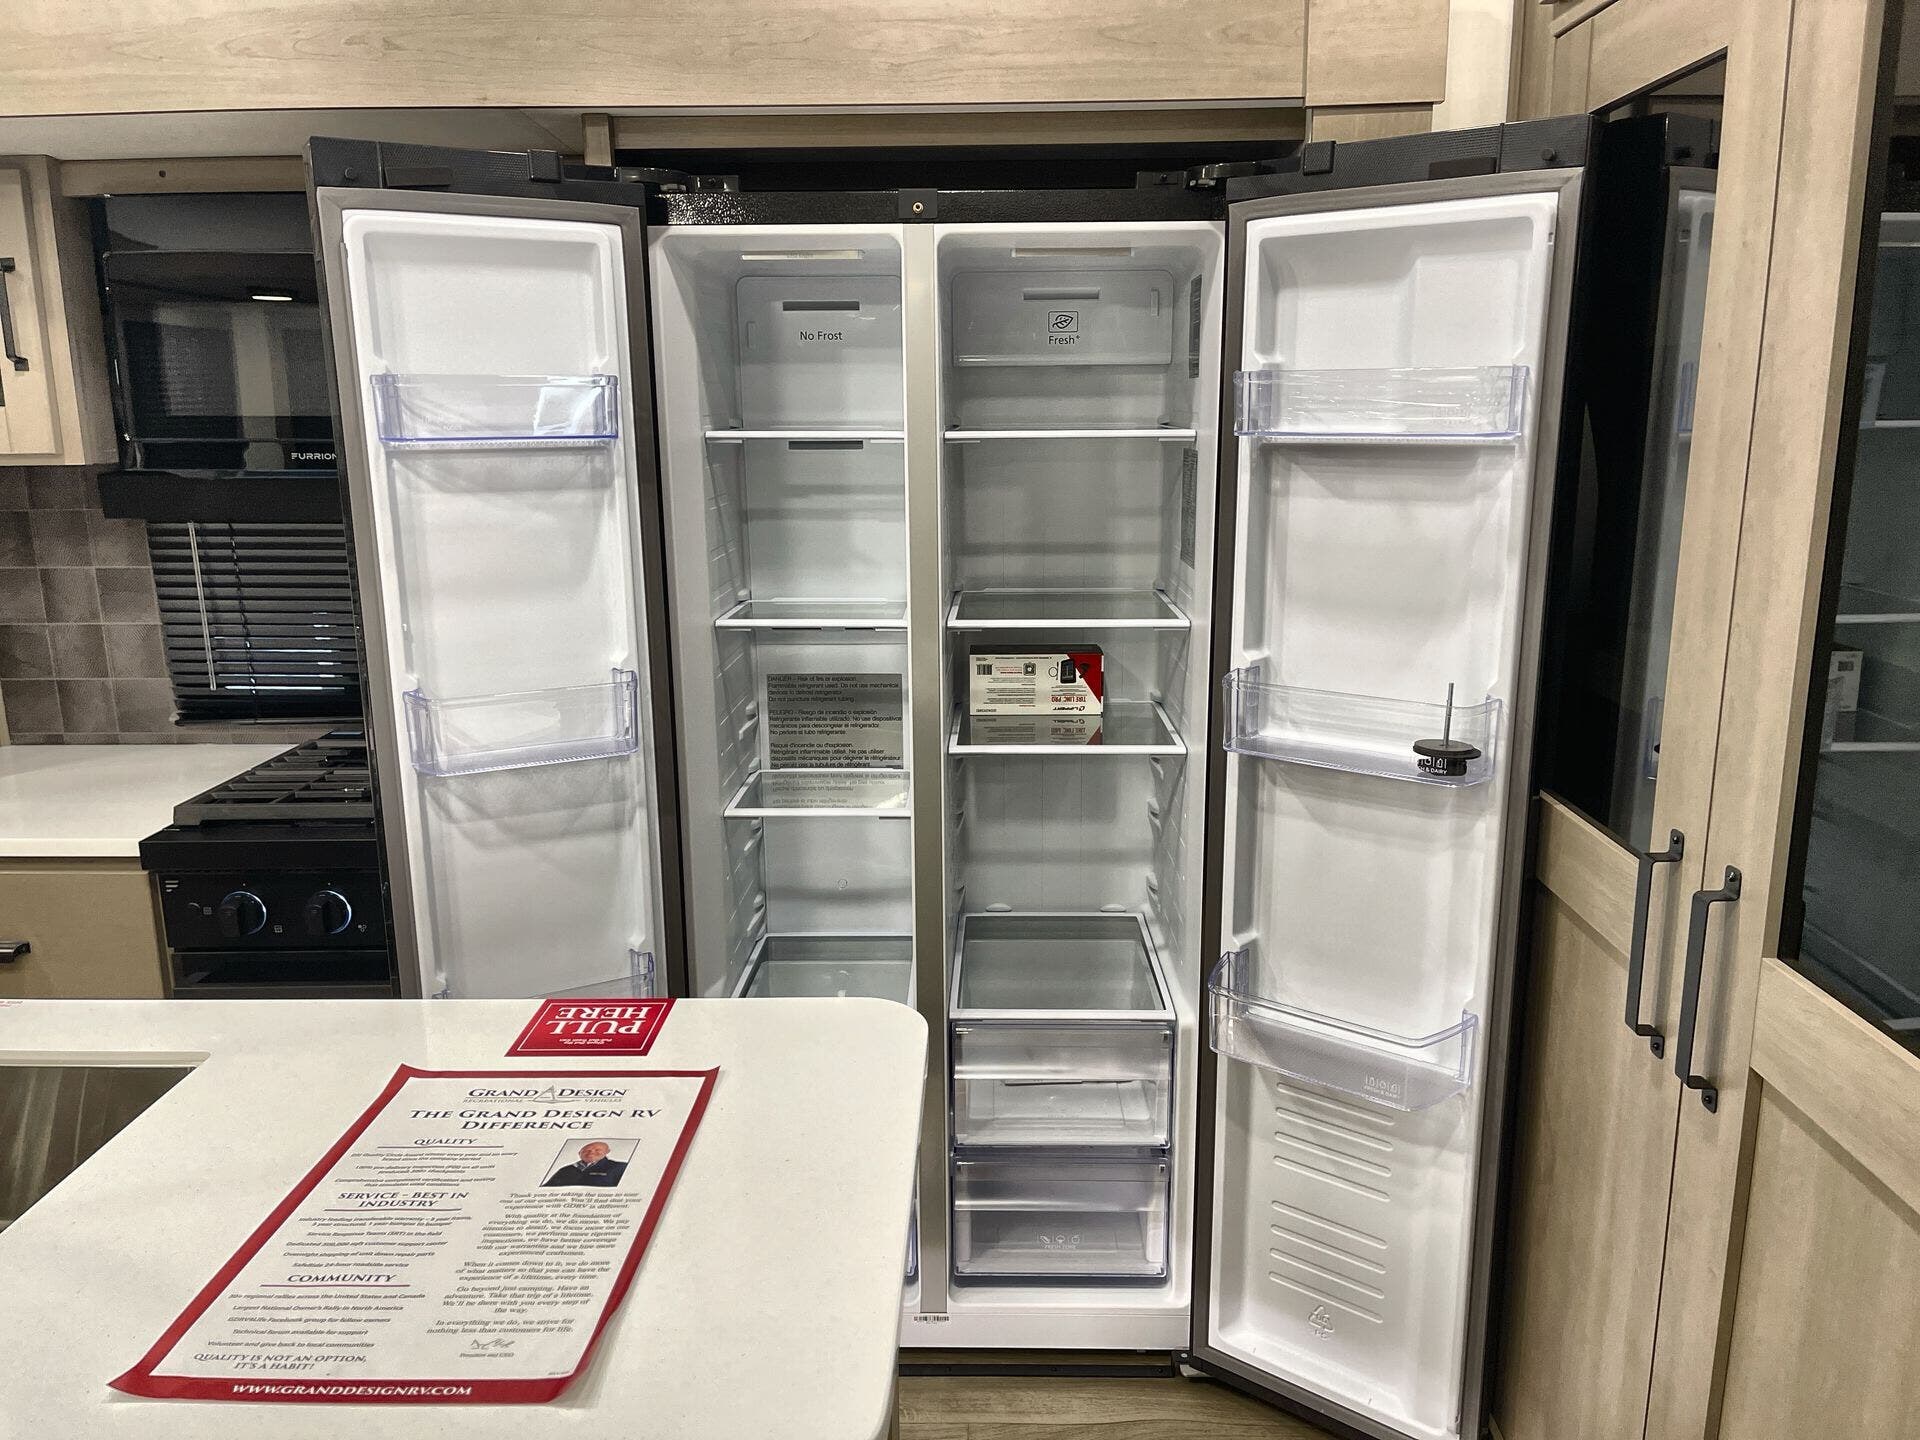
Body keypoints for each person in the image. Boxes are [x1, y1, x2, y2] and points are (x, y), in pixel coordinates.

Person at [543, 1140, 627, 1188]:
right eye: (586, 1151)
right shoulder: (565, 1170)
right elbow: (547, 1188)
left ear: (607, 1151)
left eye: (597, 1150)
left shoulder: (621, 1167)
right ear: (579, 1153)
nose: (591, 1152)